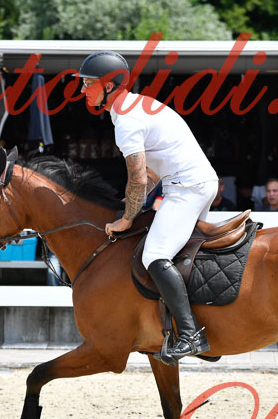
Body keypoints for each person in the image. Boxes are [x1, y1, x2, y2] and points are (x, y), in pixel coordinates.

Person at [78, 50, 218, 365]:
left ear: (108, 85)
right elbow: (151, 171)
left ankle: (191, 336)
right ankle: (200, 329)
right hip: (195, 183)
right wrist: (128, 202)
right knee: (181, 257)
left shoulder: (127, 120)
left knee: (153, 255)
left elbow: (139, 177)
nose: (83, 90)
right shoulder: (136, 106)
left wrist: (127, 218)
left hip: (186, 189)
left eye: (88, 83)